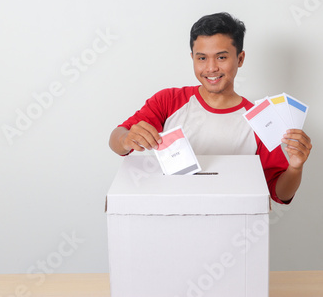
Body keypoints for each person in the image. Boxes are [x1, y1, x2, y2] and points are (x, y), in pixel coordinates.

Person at [109, 12, 312, 204]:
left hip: (230, 223)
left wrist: (295, 168)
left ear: (240, 59)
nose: (211, 68)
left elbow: (279, 193)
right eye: (202, 58)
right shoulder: (168, 100)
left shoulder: (259, 119)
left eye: (221, 57)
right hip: (172, 214)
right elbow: (116, 139)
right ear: (193, 59)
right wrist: (125, 140)